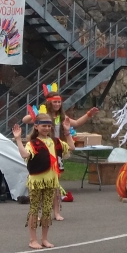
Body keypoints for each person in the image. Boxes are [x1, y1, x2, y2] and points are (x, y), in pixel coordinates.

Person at [39, 82, 99, 216]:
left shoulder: (61, 117)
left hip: (57, 150)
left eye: (59, 102)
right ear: (49, 103)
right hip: (43, 149)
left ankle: (56, 212)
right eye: (54, 102)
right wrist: (35, 116)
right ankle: (42, 212)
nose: (57, 104)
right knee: (42, 182)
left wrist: (89, 114)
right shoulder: (43, 116)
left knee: (55, 183)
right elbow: (27, 120)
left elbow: (76, 123)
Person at [12, 109, 61, 249]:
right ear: (36, 126)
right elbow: (24, 155)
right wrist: (17, 139)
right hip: (36, 181)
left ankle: (44, 238)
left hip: (51, 180)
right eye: (43, 125)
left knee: (46, 210)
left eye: (48, 125)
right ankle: (32, 239)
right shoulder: (32, 143)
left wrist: (68, 132)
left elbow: (71, 147)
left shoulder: (53, 141)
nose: (46, 128)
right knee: (34, 209)